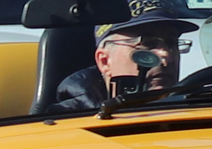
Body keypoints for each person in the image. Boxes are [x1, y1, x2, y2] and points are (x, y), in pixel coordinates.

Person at [54, 13, 196, 110]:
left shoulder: (198, 109)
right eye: (148, 43)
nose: (167, 56)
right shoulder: (64, 122)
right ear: (105, 61)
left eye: (172, 43)